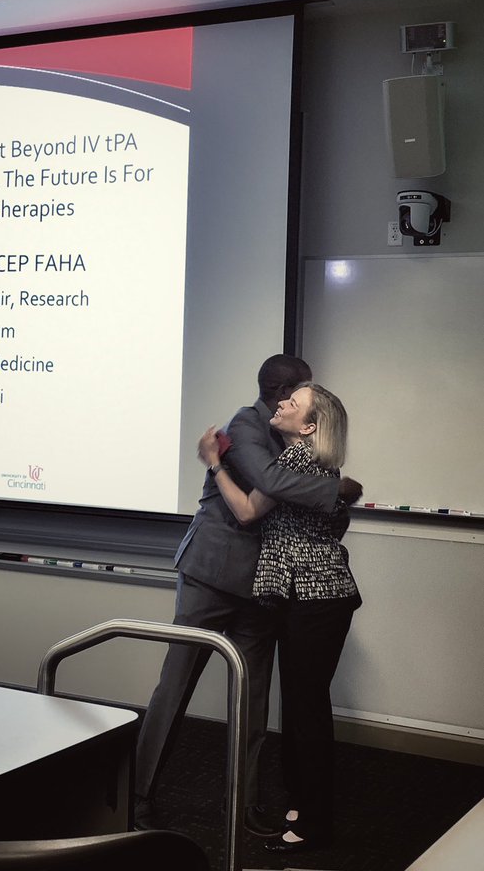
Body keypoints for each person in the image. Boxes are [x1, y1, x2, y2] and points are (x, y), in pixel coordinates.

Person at [134, 354, 363, 835]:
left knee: (253, 700)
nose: (303, 397)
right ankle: (138, 796)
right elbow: (268, 488)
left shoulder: (293, 435)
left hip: (264, 588)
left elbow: (298, 496)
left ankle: (243, 804)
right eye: (302, 389)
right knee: (175, 686)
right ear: (287, 392)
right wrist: (335, 488)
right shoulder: (246, 426)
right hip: (213, 574)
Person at [201, 381, 361, 852]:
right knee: (304, 706)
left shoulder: (295, 461)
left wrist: (214, 464)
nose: (283, 403)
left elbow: (249, 511)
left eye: (294, 403)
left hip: (314, 601)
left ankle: (315, 823)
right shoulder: (323, 466)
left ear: (310, 426)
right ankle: (306, 802)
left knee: (307, 711)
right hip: (317, 599)